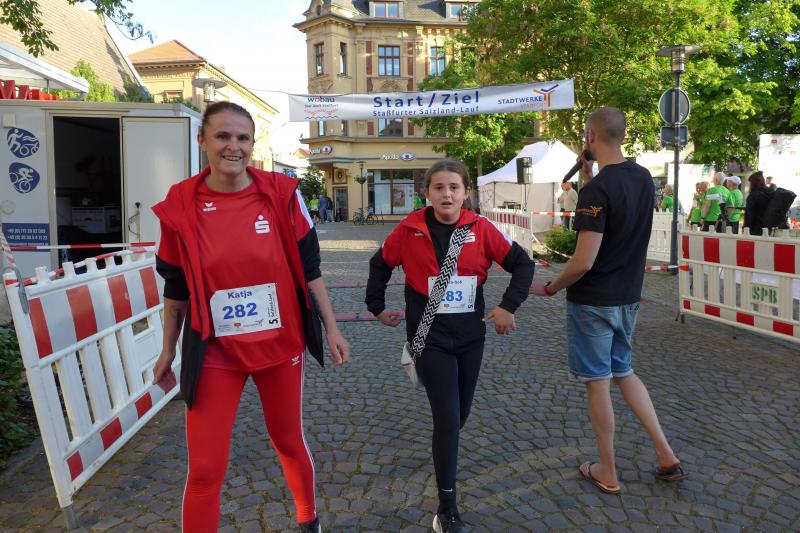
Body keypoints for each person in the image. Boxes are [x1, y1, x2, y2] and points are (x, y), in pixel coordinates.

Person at [151, 101, 350, 533]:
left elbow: (310, 269)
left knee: (287, 440)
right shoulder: (180, 204)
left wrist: (332, 328)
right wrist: (167, 348)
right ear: (202, 140)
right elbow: (176, 287)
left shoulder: (281, 194)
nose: (233, 147)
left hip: (280, 345)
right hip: (215, 350)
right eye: (222, 136)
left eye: (243, 138)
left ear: (252, 144)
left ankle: (308, 520)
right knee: (205, 469)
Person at [365, 159, 534, 533]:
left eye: (454, 187)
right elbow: (380, 264)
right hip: (429, 338)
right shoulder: (409, 229)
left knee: (458, 416)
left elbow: (523, 264)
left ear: (466, 192)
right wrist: (376, 307)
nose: (447, 194)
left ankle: (444, 454)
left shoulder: (481, 228)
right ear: (427, 192)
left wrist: (508, 306)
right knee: (446, 418)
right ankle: (447, 510)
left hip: (471, 337)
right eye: (439, 187)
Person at [530, 107, 687, 495]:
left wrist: (551, 287)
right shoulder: (642, 177)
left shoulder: (596, 191)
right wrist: (589, 180)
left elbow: (583, 262)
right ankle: (666, 453)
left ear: (590, 137)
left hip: (594, 301)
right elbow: (618, 215)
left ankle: (608, 471)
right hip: (628, 296)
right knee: (624, 372)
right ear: (622, 135)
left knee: (598, 382)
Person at [744, 171, 773, 236]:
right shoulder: (771, 192)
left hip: (755, 229)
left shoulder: (753, 195)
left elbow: (749, 215)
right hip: (768, 228)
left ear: (753, 183)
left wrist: (745, 228)